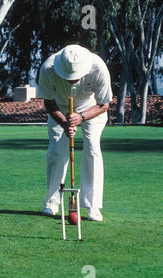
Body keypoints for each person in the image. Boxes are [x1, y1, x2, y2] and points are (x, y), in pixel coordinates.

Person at [37, 44, 112, 221]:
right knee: (57, 152)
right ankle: (51, 203)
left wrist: (81, 117)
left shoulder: (98, 67)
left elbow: (104, 104)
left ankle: (92, 205)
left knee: (92, 148)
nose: (71, 80)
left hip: (91, 109)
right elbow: (48, 104)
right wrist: (64, 122)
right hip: (60, 109)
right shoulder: (48, 69)